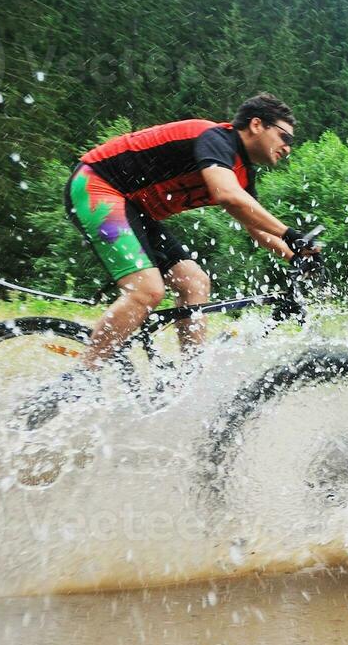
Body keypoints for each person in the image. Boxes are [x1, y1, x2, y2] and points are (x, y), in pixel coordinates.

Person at [25, 93, 309, 425]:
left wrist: (298, 256)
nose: (287, 147)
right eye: (284, 137)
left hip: (135, 210)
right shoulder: (216, 139)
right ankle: (81, 376)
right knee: (147, 290)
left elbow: (257, 228)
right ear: (257, 125)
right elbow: (227, 196)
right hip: (97, 187)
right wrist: (291, 234)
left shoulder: (242, 172)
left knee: (194, 282)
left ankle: (185, 384)